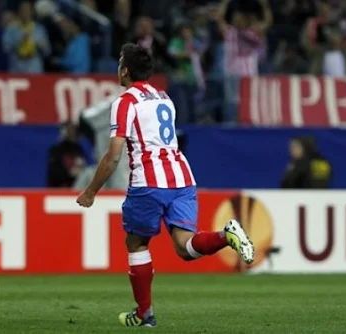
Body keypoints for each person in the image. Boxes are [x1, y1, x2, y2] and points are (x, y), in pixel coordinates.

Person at [75, 44, 254, 327]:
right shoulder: (164, 98)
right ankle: (225, 236)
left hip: (148, 181)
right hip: (182, 178)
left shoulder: (124, 103)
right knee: (185, 248)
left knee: (136, 243)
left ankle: (145, 313)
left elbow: (113, 157)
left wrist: (90, 191)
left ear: (124, 71)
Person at [2, 1, 51, 73]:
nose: (25, 13)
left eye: (28, 10)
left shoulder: (39, 29)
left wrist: (41, 45)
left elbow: (47, 51)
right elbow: (5, 48)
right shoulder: (11, 29)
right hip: (16, 68)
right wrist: (19, 39)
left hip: (34, 68)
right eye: (23, 10)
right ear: (19, 12)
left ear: (32, 12)